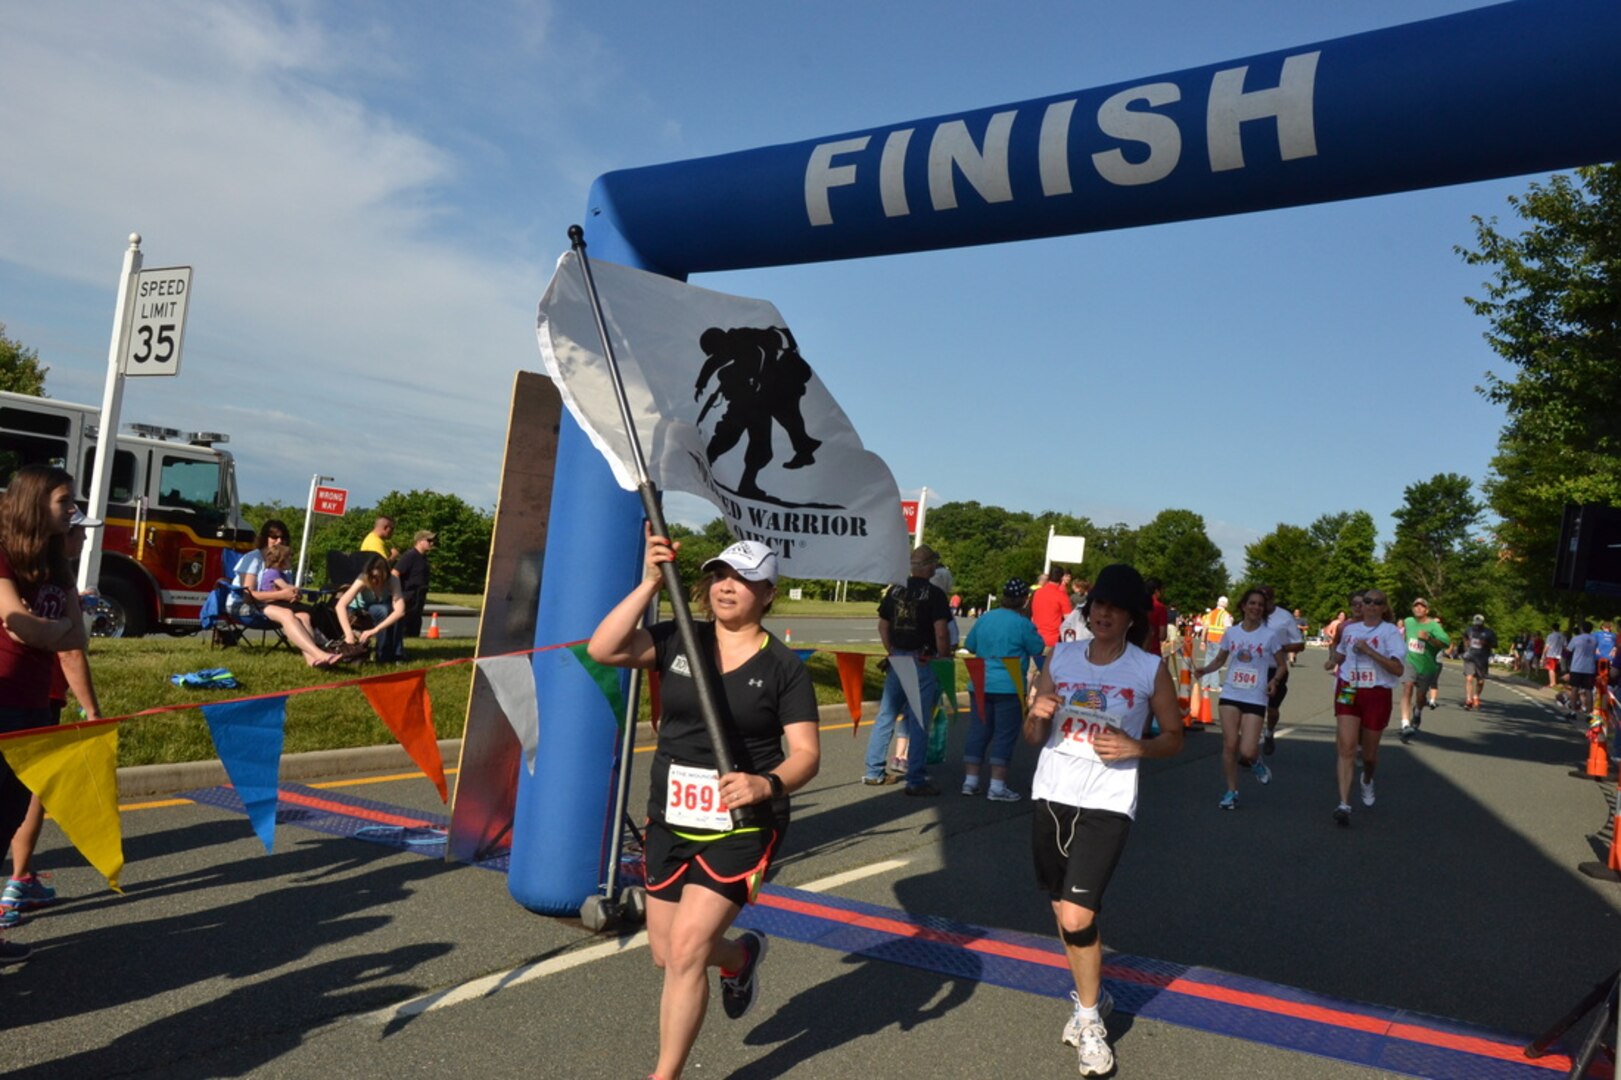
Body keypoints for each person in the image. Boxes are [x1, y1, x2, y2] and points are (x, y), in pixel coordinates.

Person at [588, 535, 819, 1080]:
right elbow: (604, 649)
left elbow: (807, 755)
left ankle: (664, 1074)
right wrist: (648, 582)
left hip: (742, 823)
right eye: (719, 576)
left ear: (768, 593)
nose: (726, 587)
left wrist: (766, 785)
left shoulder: (784, 666)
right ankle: (739, 958)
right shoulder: (679, 640)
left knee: (689, 951)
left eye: (741, 579)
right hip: (670, 816)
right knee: (667, 954)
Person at [1023, 563, 1184, 1076]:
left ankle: (1089, 1019)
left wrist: (1136, 745)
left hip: (1108, 801)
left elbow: (1174, 737)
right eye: (1097, 605)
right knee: (1062, 909)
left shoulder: (1147, 668)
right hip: (1051, 793)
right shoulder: (1063, 655)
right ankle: (1092, 995)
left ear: (1133, 617)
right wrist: (1038, 712)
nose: (1103, 613)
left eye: (1115, 607)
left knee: (1077, 916)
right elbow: (1032, 737)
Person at [0, 465, 93, 965]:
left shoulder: (59, 564)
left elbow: (75, 636)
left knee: (8, 816)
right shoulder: (3, 554)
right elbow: (19, 625)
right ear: (36, 503)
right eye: (64, 502)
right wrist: (46, 629)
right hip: (3, 696)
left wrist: (43, 629)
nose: (72, 511)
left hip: (36, 704)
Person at [862, 544, 951, 795]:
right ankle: (916, 779)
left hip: (898, 657)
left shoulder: (895, 590)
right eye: (933, 563)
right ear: (929, 566)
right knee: (919, 720)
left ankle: (873, 771)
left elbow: (882, 625)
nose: (935, 567)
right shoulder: (935, 595)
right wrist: (943, 657)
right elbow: (941, 631)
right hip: (923, 659)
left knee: (886, 715)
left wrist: (891, 650)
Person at [1193, 589, 1285, 808]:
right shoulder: (1232, 633)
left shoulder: (1269, 635)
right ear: (1243, 606)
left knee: (1247, 750)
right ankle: (1231, 791)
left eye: (1260, 605)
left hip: (1255, 696)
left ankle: (1256, 762)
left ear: (1263, 610)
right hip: (1231, 693)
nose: (1256, 608)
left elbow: (1282, 664)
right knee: (1229, 744)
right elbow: (1220, 660)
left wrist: (1275, 681)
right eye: (1252, 603)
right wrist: (1204, 670)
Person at [961, 578, 1045, 801]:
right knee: (1005, 734)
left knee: (978, 729)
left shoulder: (986, 618)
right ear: (1025, 600)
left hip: (980, 681)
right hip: (1009, 684)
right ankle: (997, 786)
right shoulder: (1022, 624)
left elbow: (970, 645)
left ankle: (970, 781)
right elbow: (1037, 647)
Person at [1331, 590, 1406, 826]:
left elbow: (1398, 669)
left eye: (1377, 602)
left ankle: (1367, 778)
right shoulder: (1350, 629)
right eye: (1367, 601)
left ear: (1384, 608)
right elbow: (1340, 653)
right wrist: (1332, 660)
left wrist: (1370, 652)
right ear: (1360, 606)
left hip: (1376, 692)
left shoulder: (1390, 632)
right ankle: (1344, 803)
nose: (1371, 605)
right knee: (1347, 747)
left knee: (1370, 756)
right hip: (1348, 688)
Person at [232, 520, 345, 668]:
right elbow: (248, 596)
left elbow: (283, 590)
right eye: (274, 537)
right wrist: (281, 595)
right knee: (287, 614)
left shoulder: (282, 560)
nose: (279, 541)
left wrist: (292, 595)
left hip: (269, 604)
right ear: (264, 538)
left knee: (304, 616)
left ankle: (312, 660)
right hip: (243, 606)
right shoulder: (253, 558)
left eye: (282, 538)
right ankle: (320, 653)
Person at [1257, 586, 1304, 756]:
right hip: (1253, 668)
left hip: (1275, 668)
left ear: (1272, 599)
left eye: (1265, 600)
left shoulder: (1284, 617)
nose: (1260, 605)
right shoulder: (1252, 614)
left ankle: (1269, 731)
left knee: (1271, 708)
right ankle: (1249, 744)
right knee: (1251, 708)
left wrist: (1279, 648)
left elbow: (1300, 644)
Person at [336, 554, 408, 663]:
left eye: (379, 578)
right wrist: (348, 634)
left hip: (380, 606)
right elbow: (340, 605)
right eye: (372, 577)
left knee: (391, 611)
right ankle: (383, 655)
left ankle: (397, 653)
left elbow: (400, 611)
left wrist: (375, 630)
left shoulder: (393, 580)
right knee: (383, 610)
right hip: (361, 610)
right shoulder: (362, 578)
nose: (374, 581)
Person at [1399, 598, 1450, 742]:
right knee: (1407, 687)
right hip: (1410, 662)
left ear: (1427, 610)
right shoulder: (1408, 622)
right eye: (1416, 606)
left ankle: (1418, 711)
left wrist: (1429, 639)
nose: (1419, 608)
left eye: (1422, 606)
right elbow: (1404, 637)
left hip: (1427, 666)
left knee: (1420, 697)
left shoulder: (1434, 626)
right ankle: (1405, 724)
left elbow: (1445, 642)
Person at [394, 530, 435, 639]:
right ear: (420, 541)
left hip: (419, 595)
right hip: (409, 595)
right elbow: (395, 573)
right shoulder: (410, 556)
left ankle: (413, 638)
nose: (432, 543)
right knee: (406, 623)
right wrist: (397, 593)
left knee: (415, 622)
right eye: (429, 540)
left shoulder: (423, 557)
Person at [1030, 565, 1073, 650]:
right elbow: (1069, 621)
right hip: (1051, 641)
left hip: (1035, 639)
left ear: (1049, 577)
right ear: (1061, 578)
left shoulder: (1037, 593)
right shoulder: (1061, 596)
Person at [1462, 614, 1499, 710]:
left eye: (1479, 625)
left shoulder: (1489, 633)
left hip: (1482, 659)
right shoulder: (1469, 630)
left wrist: (1486, 643)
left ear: (1483, 623)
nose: (1477, 626)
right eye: (1475, 624)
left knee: (1481, 681)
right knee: (1469, 678)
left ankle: (1476, 696)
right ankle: (1468, 699)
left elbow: (1495, 644)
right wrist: (1466, 647)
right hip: (1470, 657)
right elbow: (1465, 637)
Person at [1565, 622, 1598, 722]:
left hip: (1577, 667)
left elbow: (1568, 650)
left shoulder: (1576, 638)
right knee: (1589, 690)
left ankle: (1573, 712)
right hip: (1590, 667)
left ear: (1582, 628)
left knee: (1574, 689)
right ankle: (1589, 714)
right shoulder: (1594, 639)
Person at [1144, 578, 1169, 658]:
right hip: (1153, 651)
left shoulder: (1138, 605)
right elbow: (1162, 635)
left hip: (1136, 651)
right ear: (1156, 591)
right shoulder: (1160, 608)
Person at [1541, 624, 1566, 690]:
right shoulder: (1562, 636)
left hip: (1551, 654)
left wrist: (1543, 655)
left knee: (1551, 669)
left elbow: (1547, 646)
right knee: (1555, 669)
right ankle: (1555, 681)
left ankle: (1552, 683)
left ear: (1552, 628)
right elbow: (1565, 646)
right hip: (1559, 655)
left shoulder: (1550, 636)